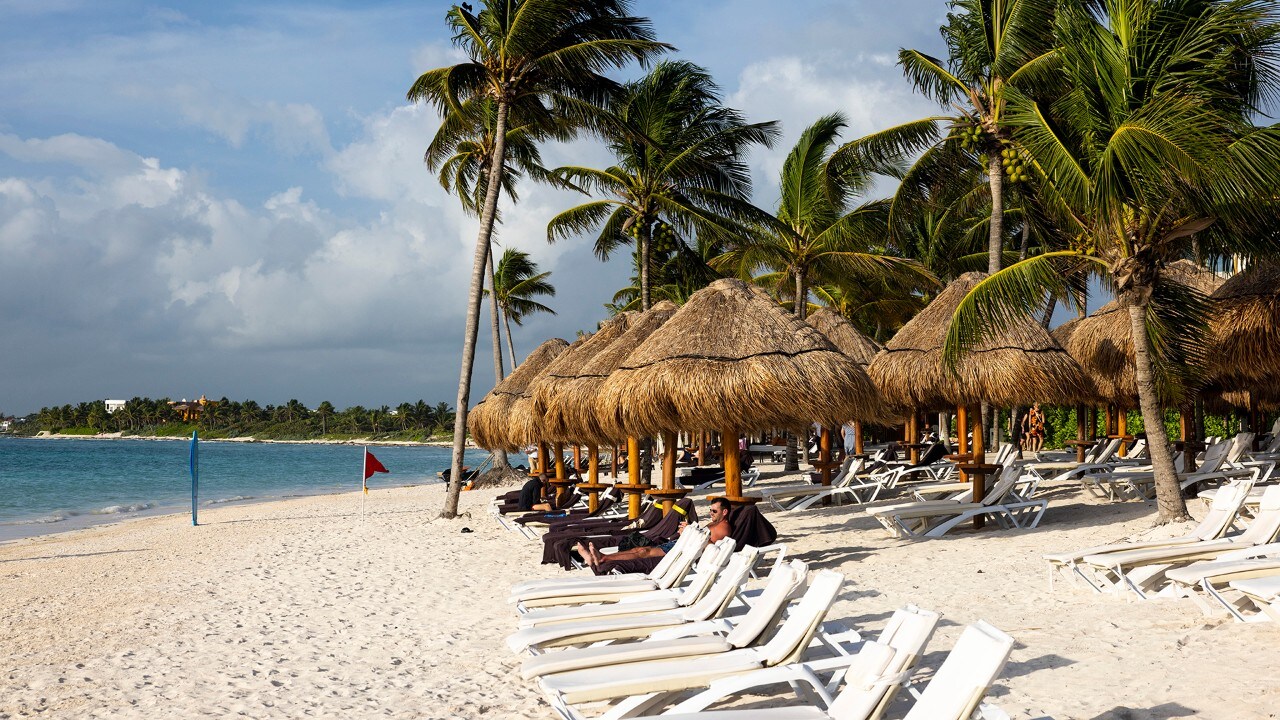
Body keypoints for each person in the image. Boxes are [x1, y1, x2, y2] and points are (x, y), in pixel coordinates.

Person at [575, 498, 732, 574]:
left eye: (714, 511)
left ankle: (603, 559)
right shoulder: (714, 523)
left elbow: (711, 548)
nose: (711, 514)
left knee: (643, 553)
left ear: (724, 512)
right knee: (641, 549)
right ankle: (602, 557)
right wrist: (689, 531)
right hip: (681, 545)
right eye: (710, 510)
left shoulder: (723, 528)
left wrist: (690, 533)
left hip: (686, 553)